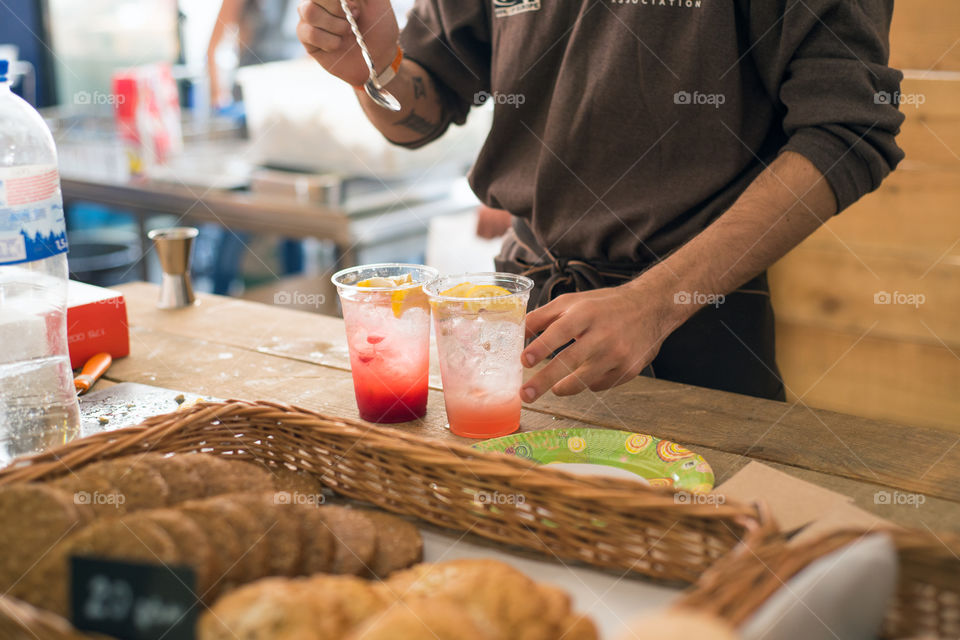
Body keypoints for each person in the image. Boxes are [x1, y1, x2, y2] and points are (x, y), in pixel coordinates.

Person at [296, 0, 904, 403]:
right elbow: (419, 111)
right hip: (522, 321)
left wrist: (655, 304)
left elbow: (849, 131)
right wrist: (374, 73)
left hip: (694, 331)